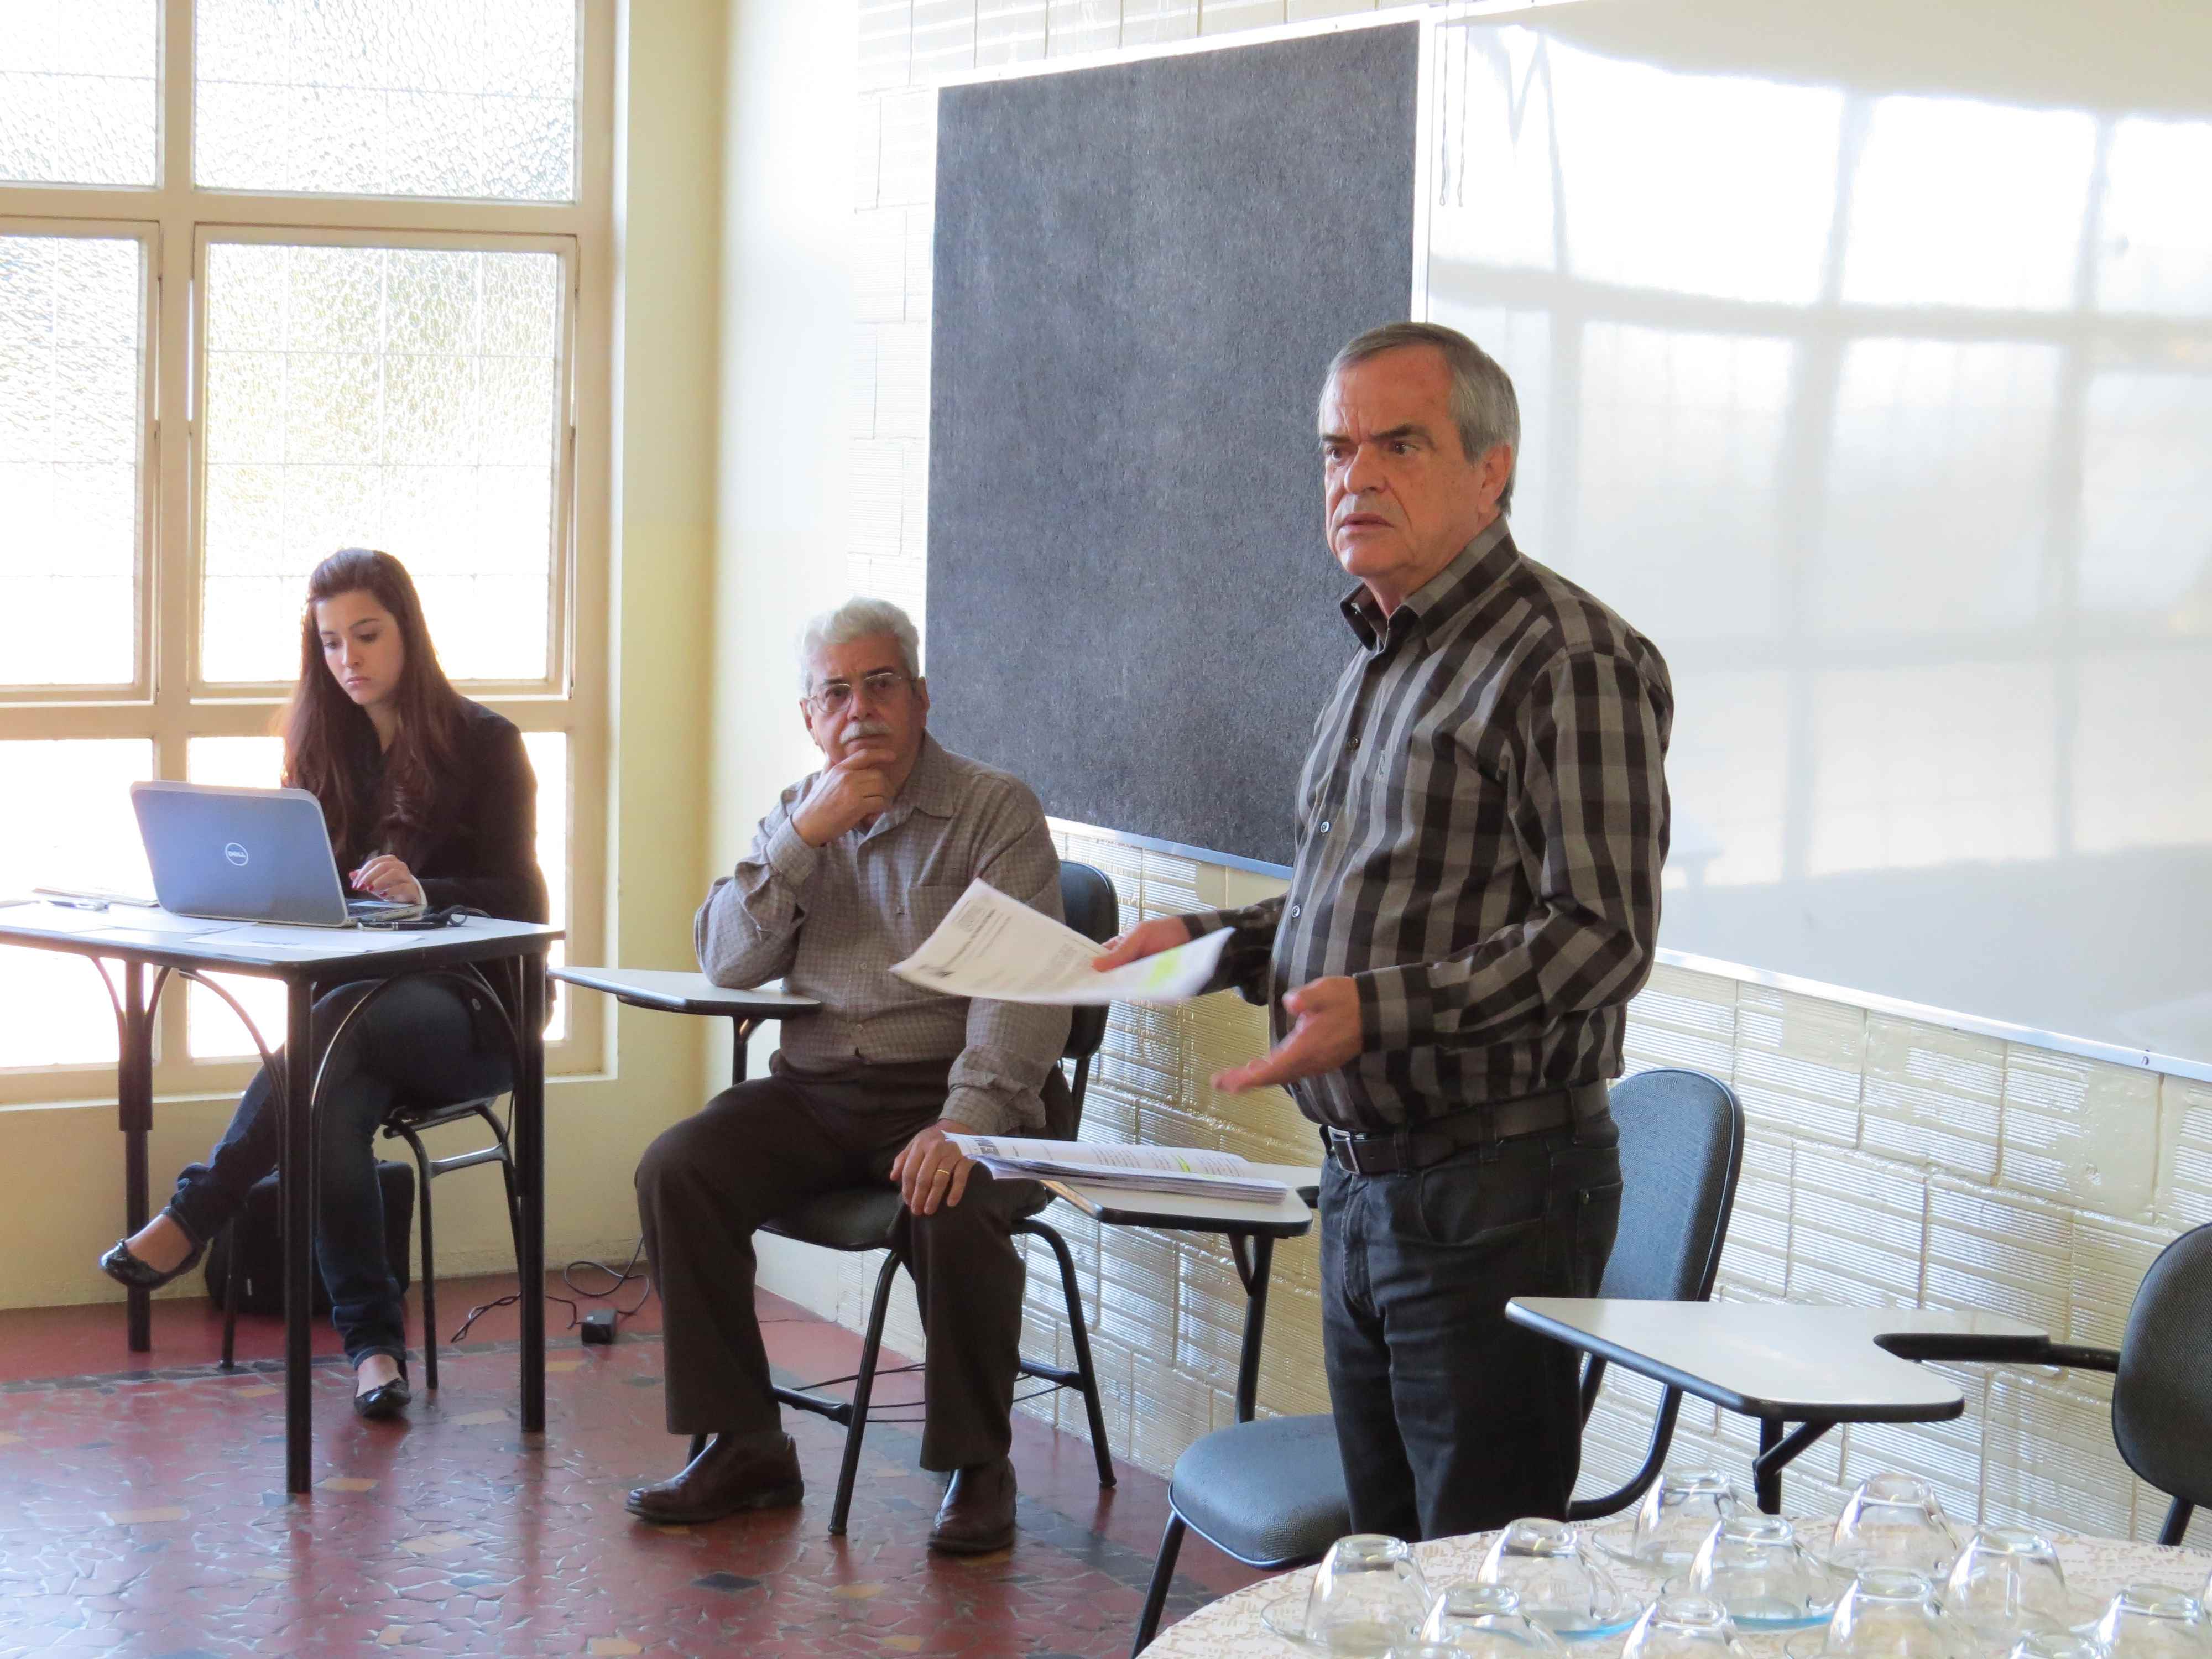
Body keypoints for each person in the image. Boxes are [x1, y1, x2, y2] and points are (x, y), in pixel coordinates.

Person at [1094, 322, 1672, 1540]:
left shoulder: (1566, 658)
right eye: (1335, 449)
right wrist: (1210, 942)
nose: (1354, 476)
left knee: (1470, 1579)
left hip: (1497, 1191)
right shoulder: (1380, 654)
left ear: (1490, 471)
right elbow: (1362, 902)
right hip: (1364, 1187)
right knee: (1384, 1569)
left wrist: (1380, 1012)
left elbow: (1601, 936)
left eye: (1398, 445)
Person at [628, 597, 1071, 1553]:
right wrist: (802, 840)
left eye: (880, 685)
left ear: (921, 697)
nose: (859, 710)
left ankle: (978, 1466)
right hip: (820, 1091)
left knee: (949, 1203)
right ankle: (746, 1443)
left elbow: (1025, 992)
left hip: (964, 1089)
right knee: (678, 1169)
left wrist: (967, 1118)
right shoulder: (801, 810)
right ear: (810, 716)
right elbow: (726, 961)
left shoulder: (994, 809)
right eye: (836, 693)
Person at [98, 549, 547, 1422]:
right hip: (357, 1023)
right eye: (332, 642)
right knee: (328, 1099)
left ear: (408, 630)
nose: (349, 659)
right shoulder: (320, 745)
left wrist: (429, 893)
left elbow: (526, 903)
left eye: (367, 635)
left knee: (337, 1024)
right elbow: (308, 891)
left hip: (475, 1011)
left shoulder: (486, 743)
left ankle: (198, 1211)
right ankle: (374, 1350)